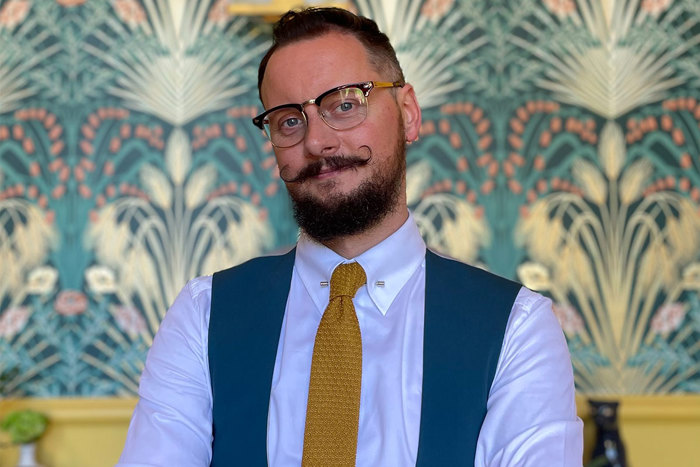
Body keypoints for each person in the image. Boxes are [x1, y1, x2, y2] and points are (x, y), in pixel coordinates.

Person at [118, 7, 583, 466]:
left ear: (408, 113)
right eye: (288, 120)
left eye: (344, 104)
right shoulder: (203, 315)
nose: (316, 142)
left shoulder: (518, 328)